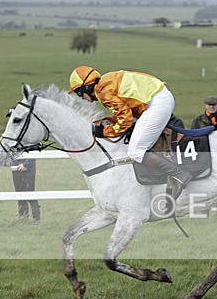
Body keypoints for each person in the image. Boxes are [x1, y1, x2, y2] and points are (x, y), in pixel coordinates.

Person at [68, 66, 191, 202]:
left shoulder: (103, 92)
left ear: (86, 87)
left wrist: (104, 132)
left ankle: (179, 173)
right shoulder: (106, 82)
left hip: (156, 103)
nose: (82, 98)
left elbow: (125, 120)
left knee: (136, 152)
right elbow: (125, 114)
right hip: (157, 99)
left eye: (79, 93)